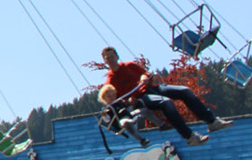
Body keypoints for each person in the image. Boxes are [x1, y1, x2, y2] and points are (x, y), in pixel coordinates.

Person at [98, 46, 231, 146]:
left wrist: (144, 77)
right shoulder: (111, 81)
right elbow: (115, 99)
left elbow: (145, 73)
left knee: (184, 91)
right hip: (142, 98)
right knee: (166, 102)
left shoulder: (129, 65)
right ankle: (190, 136)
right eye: (107, 58)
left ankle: (212, 121)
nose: (110, 60)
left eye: (111, 56)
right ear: (105, 61)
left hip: (151, 89)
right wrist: (129, 101)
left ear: (117, 56)